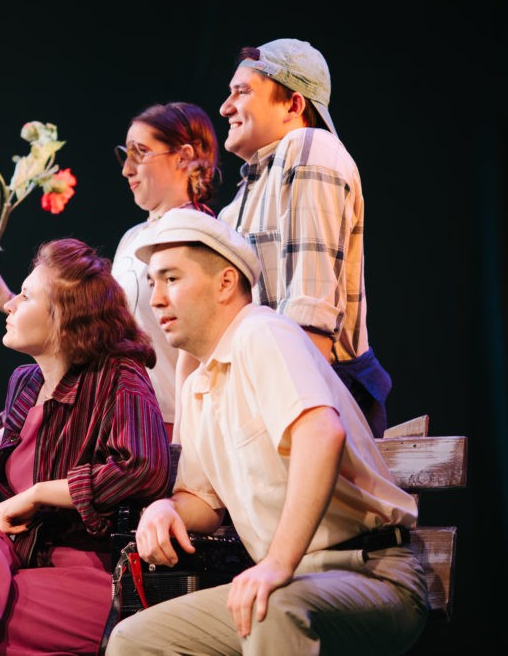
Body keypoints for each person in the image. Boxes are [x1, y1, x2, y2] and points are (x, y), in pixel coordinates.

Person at [104, 210, 428, 655]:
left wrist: (277, 563)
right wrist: (167, 508)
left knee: (270, 608)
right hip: (289, 582)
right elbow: (203, 500)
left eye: (172, 279)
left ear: (225, 283)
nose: (156, 300)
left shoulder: (263, 333)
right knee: (135, 640)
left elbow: (321, 435)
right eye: (152, 283)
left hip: (370, 573)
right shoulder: (199, 384)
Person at [0, 238, 173, 655]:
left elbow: (142, 468)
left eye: (25, 297)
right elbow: (19, 431)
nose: (9, 305)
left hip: (89, 573)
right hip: (19, 562)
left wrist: (40, 493)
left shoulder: (119, 377)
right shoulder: (26, 383)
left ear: (66, 316)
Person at [0, 102, 219, 440]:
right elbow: (102, 327)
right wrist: (13, 301)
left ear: (183, 157)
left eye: (140, 153)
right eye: (125, 155)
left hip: (172, 422)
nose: (127, 169)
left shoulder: (200, 236)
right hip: (122, 414)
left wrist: (182, 438)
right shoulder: (133, 237)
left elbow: (198, 346)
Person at [216, 37, 391, 437]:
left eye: (242, 92)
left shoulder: (310, 148)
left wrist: (297, 423)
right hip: (267, 388)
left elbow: (310, 317)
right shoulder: (240, 199)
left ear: (294, 105)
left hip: (315, 389)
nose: (225, 107)